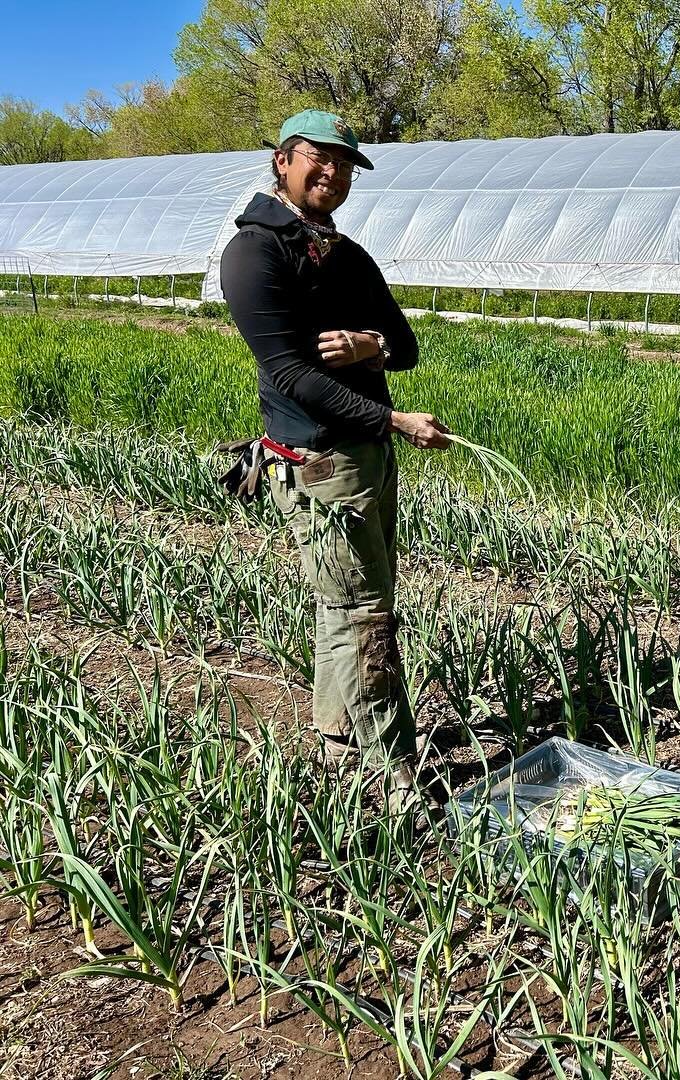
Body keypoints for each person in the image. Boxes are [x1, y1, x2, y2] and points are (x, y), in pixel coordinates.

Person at [220, 109, 451, 809]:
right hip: (321, 463)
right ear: (283, 162)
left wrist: (369, 348)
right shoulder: (256, 255)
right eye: (319, 158)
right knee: (366, 617)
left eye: (346, 164)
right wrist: (394, 418)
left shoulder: (344, 253)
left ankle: (339, 750)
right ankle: (393, 774)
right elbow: (292, 375)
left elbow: (406, 347)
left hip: (368, 458)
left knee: (342, 610)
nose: (334, 173)